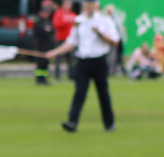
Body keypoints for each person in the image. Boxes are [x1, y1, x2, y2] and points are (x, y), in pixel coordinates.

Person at [45, 0, 118, 133]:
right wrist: (55, 52)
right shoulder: (79, 21)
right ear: (84, 5)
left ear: (96, 5)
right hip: (83, 61)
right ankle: (72, 122)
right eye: (87, 4)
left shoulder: (104, 20)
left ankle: (109, 123)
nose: (89, 7)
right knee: (79, 93)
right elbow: (72, 42)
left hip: (99, 61)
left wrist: (100, 34)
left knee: (103, 93)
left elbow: (115, 41)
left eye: (92, 4)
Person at [52, 0, 76, 80]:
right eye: (67, 4)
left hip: (70, 41)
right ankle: (57, 76)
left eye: (70, 4)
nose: (68, 6)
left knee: (71, 60)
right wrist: (67, 22)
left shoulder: (73, 14)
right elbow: (56, 24)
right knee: (58, 59)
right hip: (61, 40)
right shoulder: (59, 13)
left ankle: (71, 76)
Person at [33, 2, 55, 84]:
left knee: (46, 63)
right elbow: (40, 32)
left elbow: (51, 31)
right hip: (40, 46)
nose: (47, 14)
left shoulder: (47, 21)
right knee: (40, 64)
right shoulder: (38, 21)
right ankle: (39, 79)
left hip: (47, 46)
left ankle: (44, 78)